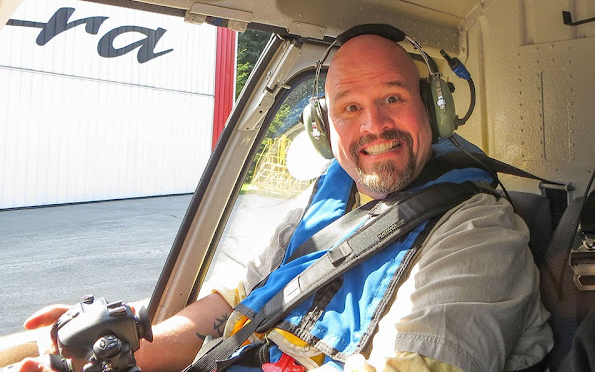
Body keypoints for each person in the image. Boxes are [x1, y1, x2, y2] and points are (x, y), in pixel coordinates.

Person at [19, 30, 553, 372]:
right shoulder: (324, 198)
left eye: (392, 97)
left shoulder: (480, 236)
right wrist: (117, 348)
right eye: (349, 108)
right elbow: (231, 304)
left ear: (433, 110)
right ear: (324, 128)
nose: (374, 126)